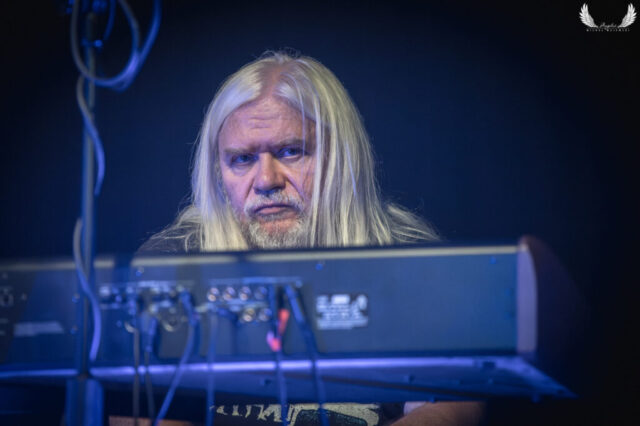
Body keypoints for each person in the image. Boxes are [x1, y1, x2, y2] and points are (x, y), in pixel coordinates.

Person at [140, 51, 483, 425]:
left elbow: (448, 406)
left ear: (341, 158)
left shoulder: (414, 263)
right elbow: (136, 408)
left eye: (291, 152)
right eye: (242, 159)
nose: (266, 180)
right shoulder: (173, 264)